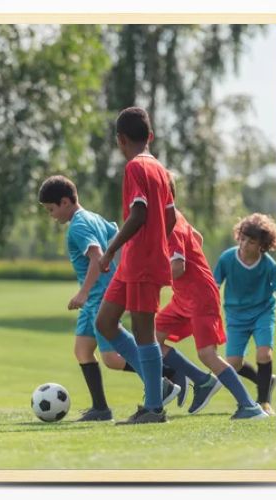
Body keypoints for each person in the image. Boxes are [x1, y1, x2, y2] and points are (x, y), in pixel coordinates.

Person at [38, 175, 180, 422]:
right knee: (83, 350)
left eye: (51, 209)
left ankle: (160, 382)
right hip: (97, 295)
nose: (52, 215)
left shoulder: (79, 226)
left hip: (98, 296)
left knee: (112, 359)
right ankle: (101, 409)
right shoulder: (93, 217)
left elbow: (97, 256)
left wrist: (83, 293)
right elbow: (119, 238)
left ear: (64, 202)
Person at [155, 177, 269, 420]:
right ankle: (200, 380)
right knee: (153, 337)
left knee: (207, 354)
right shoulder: (175, 216)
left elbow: (178, 267)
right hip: (184, 297)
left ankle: (250, 406)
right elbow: (197, 237)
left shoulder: (171, 226)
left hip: (200, 296)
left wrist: (152, 276)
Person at [95, 107, 176, 425]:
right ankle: (159, 385)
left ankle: (154, 408)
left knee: (144, 333)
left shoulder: (134, 168)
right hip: (136, 261)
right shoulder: (161, 169)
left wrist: (110, 249)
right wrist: (156, 243)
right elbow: (169, 217)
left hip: (140, 261)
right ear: (150, 137)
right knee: (105, 322)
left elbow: (138, 213)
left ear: (120, 140)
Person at [214, 213, 276, 416]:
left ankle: (264, 402)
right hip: (235, 316)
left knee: (264, 354)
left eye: (251, 242)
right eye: (242, 238)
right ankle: (265, 380)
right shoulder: (227, 258)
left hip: (262, 312)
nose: (244, 244)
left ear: (263, 244)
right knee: (233, 364)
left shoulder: (269, 265)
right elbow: (214, 285)